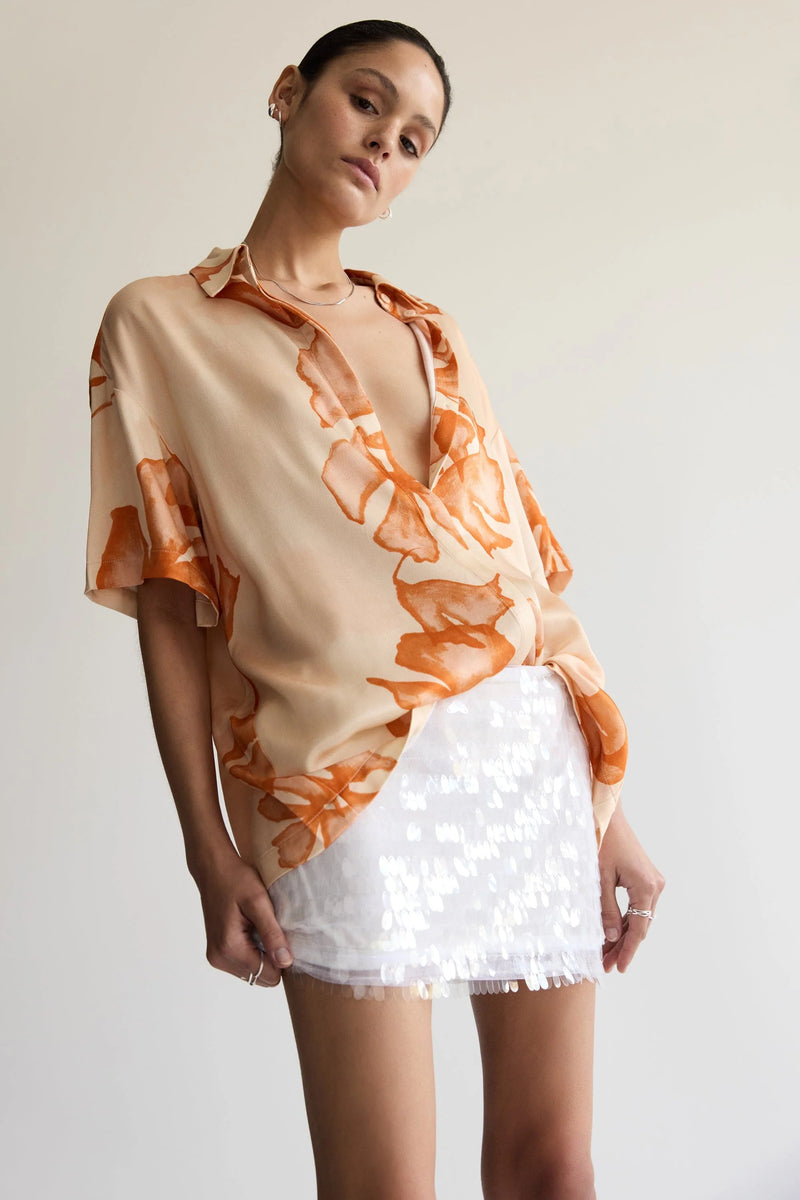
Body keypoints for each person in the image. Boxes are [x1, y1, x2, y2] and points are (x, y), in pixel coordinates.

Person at [84, 18, 665, 1200]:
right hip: (336, 778)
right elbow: (169, 596)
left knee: (553, 1169)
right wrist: (207, 848)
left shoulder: (430, 333)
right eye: (365, 102)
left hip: (526, 761)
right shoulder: (158, 323)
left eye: (412, 141)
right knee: (379, 1185)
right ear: (286, 93)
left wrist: (603, 811)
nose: (383, 145)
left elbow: (521, 575)